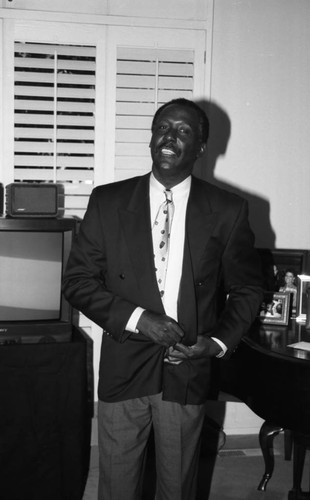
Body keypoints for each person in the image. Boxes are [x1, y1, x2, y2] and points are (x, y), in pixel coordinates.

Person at [62, 98, 263, 500]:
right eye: (162, 127)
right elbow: (78, 281)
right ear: (152, 137)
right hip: (124, 361)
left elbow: (247, 288)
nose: (169, 138)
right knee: (117, 483)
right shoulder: (109, 200)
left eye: (183, 131)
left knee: (178, 484)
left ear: (202, 147)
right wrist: (140, 319)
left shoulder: (227, 209)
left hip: (186, 364)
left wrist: (216, 342)